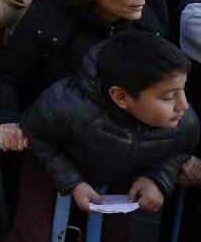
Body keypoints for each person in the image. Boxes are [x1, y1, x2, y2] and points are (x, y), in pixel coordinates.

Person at [0, 0, 163, 234]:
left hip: (113, 162)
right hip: (41, 156)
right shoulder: (50, 14)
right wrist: (6, 119)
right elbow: (7, 75)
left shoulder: (147, 29)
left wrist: (158, 173)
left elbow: (172, 112)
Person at [19, 33, 198, 241]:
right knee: (32, 235)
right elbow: (36, 133)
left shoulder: (183, 120)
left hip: (115, 175)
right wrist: (73, 182)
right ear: (121, 97)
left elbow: (182, 149)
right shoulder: (67, 106)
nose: (183, 105)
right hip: (52, 170)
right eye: (168, 97)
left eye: (183, 90)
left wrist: (157, 178)